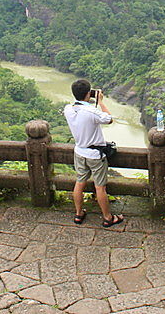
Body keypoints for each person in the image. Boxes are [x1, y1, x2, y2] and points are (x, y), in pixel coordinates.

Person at [64, 79, 123, 228]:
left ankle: (78, 214)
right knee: (100, 187)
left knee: (79, 182)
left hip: (79, 152)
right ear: (88, 94)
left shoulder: (68, 109)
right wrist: (101, 102)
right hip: (95, 156)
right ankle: (108, 218)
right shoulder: (92, 111)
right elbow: (109, 119)